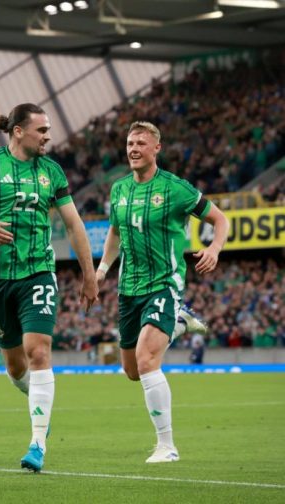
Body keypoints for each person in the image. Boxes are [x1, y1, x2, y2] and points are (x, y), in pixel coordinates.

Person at [0, 103, 98, 473]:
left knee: (38, 351)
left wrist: (89, 275)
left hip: (39, 273)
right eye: (42, 130)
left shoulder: (52, 172)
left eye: (48, 130)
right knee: (14, 366)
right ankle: (42, 408)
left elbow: (73, 225)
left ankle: (37, 442)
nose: (48, 136)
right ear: (18, 131)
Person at [96, 121, 229, 463]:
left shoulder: (175, 189)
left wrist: (213, 249)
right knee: (131, 371)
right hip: (129, 289)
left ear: (157, 148)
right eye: (129, 142)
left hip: (164, 284)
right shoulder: (119, 189)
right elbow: (114, 233)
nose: (133, 148)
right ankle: (180, 323)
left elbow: (220, 219)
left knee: (147, 359)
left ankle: (167, 446)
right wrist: (101, 270)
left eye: (141, 142)